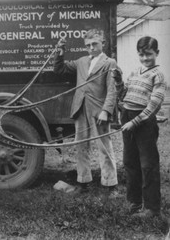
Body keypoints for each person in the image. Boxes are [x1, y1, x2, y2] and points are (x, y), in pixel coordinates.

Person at [53, 29, 119, 196]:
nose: (91, 48)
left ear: (102, 43)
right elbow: (59, 70)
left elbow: (112, 90)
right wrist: (60, 52)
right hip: (80, 108)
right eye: (88, 45)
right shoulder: (81, 61)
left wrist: (106, 111)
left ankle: (111, 185)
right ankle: (83, 182)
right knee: (81, 146)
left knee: (104, 147)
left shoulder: (109, 63)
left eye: (94, 44)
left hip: (98, 111)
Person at [112, 36, 166, 218]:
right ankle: (134, 203)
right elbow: (122, 95)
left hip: (143, 122)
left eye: (149, 54)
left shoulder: (158, 75)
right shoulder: (135, 72)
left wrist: (133, 123)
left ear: (156, 53)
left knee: (148, 165)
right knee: (130, 162)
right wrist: (118, 81)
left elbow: (154, 105)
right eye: (142, 55)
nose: (145, 59)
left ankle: (152, 209)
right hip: (127, 116)